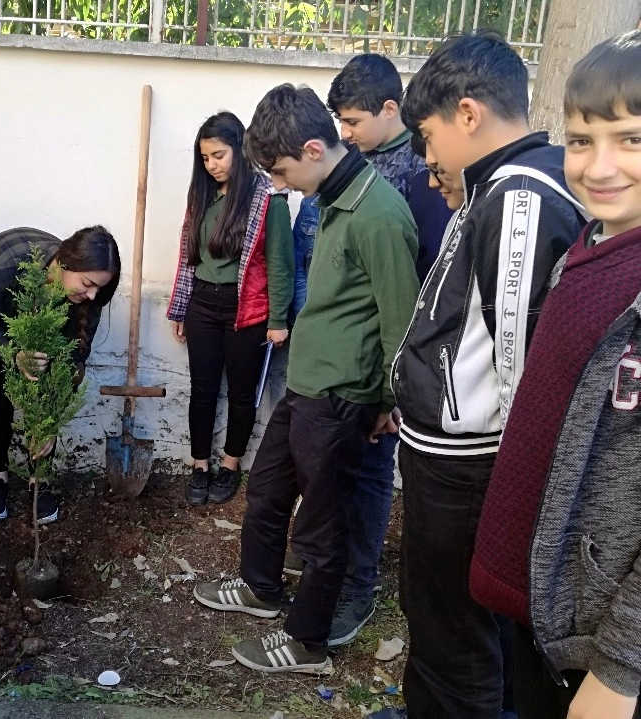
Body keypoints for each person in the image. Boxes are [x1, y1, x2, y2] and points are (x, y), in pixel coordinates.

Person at [382, 30, 588, 719]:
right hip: (460, 463)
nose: (428, 153)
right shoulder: (505, 185)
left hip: (472, 470)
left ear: (467, 113)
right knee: (455, 623)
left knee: (453, 635)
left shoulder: (520, 195)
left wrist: (513, 490)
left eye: (429, 133)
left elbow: (520, 361)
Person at [193, 84, 419, 675]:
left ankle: (307, 640)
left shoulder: (380, 215)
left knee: (322, 526)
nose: (278, 182)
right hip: (305, 384)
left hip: (342, 396)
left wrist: (387, 401)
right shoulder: (328, 203)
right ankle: (262, 588)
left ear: (315, 149)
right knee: (266, 491)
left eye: (282, 170)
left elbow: (400, 323)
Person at [471, 30, 641, 719]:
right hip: (547, 618)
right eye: (580, 139)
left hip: (601, 652)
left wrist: (623, 668)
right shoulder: (588, 249)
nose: (599, 165)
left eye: (631, 138)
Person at [280, 52, 450, 648]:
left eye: (351, 121)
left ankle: (356, 585)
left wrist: (390, 384)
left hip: (380, 359)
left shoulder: (416, 176)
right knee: (328, 478)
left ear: (389, 109)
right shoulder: (349, 164)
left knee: (372, 475)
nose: (342, 133)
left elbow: (403, 292)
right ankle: (328, 572)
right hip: (330, 353)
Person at [0, 226, 120, 524]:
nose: (93, 294)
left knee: (46, 393)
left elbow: (73, 360)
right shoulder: (2, 263)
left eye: (99, 288)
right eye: (88, 283)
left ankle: (39, 481)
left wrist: (51, 424)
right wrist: (15, 354)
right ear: (65, 264)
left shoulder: (89, 299)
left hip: (49, 326)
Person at [167, 111, 293, 506]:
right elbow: (187, 256)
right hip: (203, 304)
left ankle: (230, 464)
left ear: (239, 150)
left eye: (218, 155)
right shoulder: (201, 196)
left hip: (247, 310)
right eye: (205, 158)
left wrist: (277, 320)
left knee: (241, 394)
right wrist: (181, 307)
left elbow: (280, 263)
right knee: (202, 390)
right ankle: (200, 465)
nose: (212, 165)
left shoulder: (267, 198)